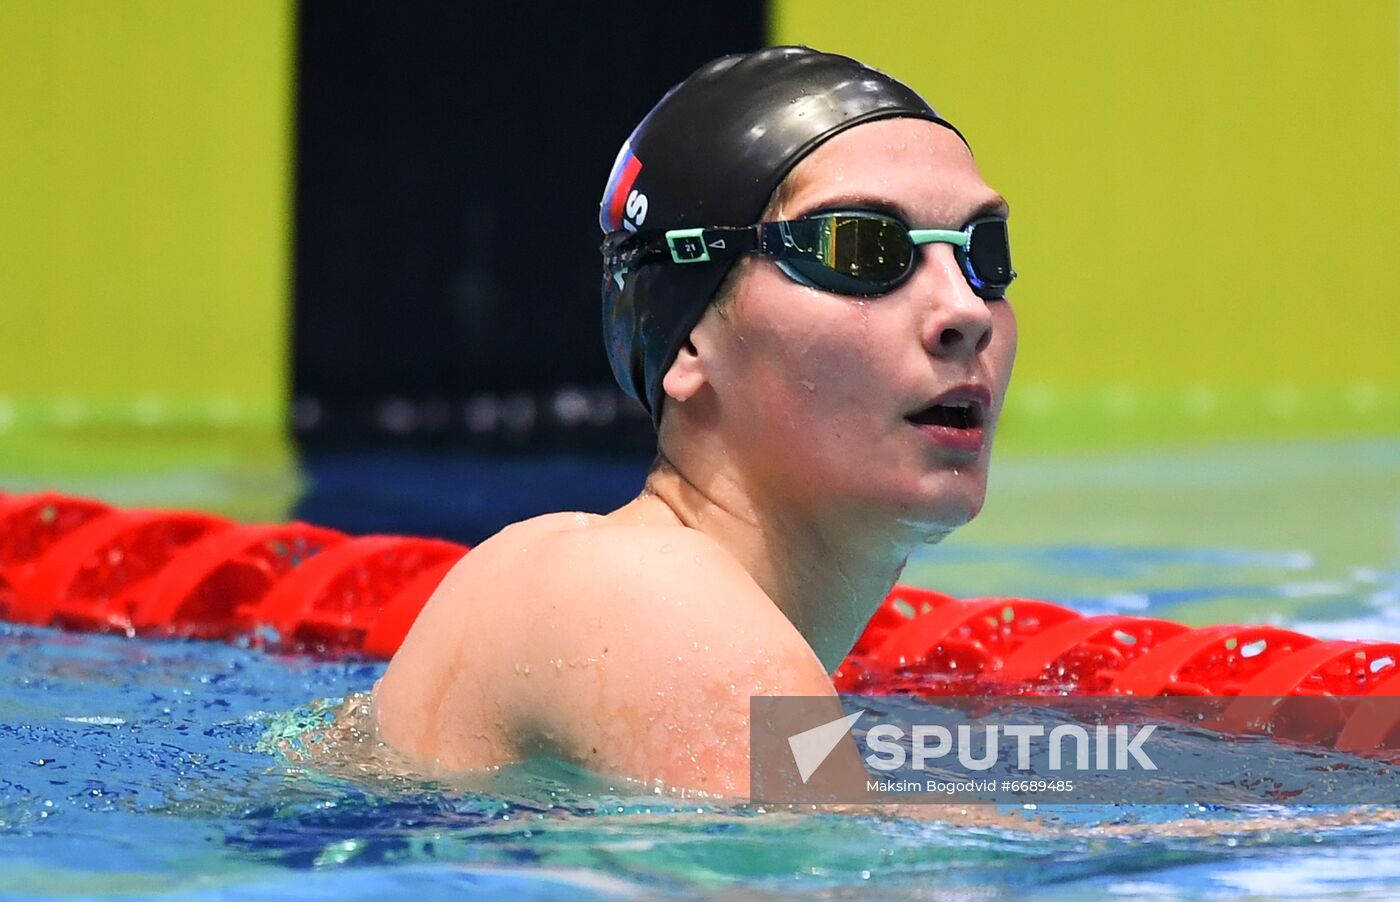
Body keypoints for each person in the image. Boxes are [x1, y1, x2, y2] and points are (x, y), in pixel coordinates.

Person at [370, 46, 1017, 797]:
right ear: (686, 341)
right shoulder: (638, 594)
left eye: (984, 255)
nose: (967, 311)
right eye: (859, 247)